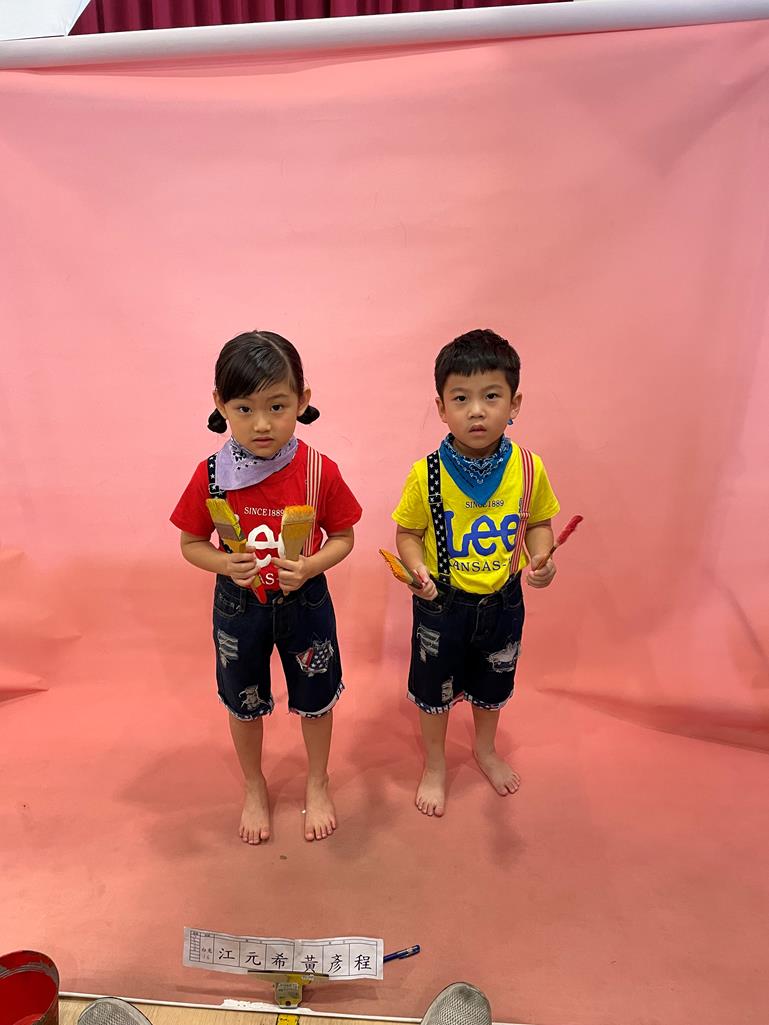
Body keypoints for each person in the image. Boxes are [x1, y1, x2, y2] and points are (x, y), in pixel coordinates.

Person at [171, 330, 361, 843]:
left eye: (277, 406)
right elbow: (191, 544)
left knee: (317, 698)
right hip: (239, 608)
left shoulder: (320, 471)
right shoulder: (211, 475)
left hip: (306, 603)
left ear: (302, 400)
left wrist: (313, 565)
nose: (261, 423)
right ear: (220, 404)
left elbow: (344, 537)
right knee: (243, 701)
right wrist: (224, 563)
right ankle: (254, 786)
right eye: (244, 408)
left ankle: (318, 781)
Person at [392, 328, 560, 816]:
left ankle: (485, 749)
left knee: (493, 684)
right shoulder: (425, 473)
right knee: (434, 691)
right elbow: (407, 533)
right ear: (441, 408)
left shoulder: (529, 468)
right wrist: (416, 567)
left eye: (491, 396)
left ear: (514, 403)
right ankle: (436, 764)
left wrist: (541, 558)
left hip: (504, 602)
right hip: (442, 605)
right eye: (461, 398)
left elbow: (539, 523)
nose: (477, 411)